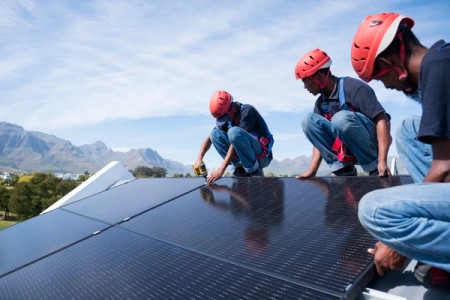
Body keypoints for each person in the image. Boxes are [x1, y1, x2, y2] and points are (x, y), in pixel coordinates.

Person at [351, 12, 450, 286]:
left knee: (374, 208)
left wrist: (397, 244)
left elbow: (445, 169)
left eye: (382, 79)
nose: (389, 87)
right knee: (408, 129)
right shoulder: (440, 61)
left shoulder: (440, 66)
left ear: (389, 62)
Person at [294, 48, 392, 178]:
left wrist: (382, 161)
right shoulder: (320, 103)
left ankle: (374, 168)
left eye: (306, 81)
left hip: (372, 144)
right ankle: (343, 169)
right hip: (347, 150)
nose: (305, 87)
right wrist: (312, 170)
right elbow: (319, 140)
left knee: (340, 119)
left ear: (319, 77)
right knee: (309, 121)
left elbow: (382, 120)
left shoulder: (355, 88)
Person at [194, 90, 274, 185]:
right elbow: (209, 138)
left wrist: (221, 169)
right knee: (214, 134)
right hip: (245, 158)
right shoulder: (229, 117)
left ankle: (255, 171)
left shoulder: (247, 111)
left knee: (233, 132)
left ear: (233, 108)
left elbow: (235, 140)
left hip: (262, 157)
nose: (224, 121)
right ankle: (240, 169)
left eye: (225, 117)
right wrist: (199, 158)